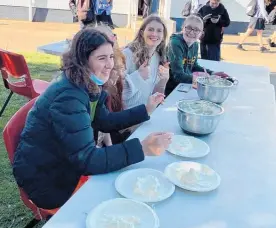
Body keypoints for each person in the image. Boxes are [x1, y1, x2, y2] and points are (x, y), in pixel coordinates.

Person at [12, 28, 173, 210]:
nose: (110, 64)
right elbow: (87, 160)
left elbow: (105, 120)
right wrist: (142, 148)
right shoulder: (69, 98)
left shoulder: (87, 84)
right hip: (46, 181)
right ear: (82, 61)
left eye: (111, 56)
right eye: (101, 58)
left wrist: (146, 109)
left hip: (61, 164)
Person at [165, 14, 228, 96]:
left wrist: (212, 73)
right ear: (182, 27)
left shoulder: (195, 45)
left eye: (196, 30)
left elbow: (194, 66)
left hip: (185, 86)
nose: (191, 32)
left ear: (201, 34)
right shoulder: (175, 43)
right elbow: (178, 75)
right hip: (171, 90)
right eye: (188, 28)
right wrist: (205, 79)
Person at [122, 14, 170, 110]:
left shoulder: (158, 57)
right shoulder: (127, 54)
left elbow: (155, 95)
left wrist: (163, 81)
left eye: (159, 31)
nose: (154, 34)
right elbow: (118, 93)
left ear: (163, 36)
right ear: (141, 33)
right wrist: (138, 76)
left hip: (145, 113)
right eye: (150, 29)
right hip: (127, 116)